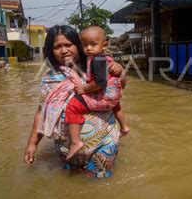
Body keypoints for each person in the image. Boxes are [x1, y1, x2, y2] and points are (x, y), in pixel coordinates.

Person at [24, 25, 124, 178]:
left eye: (68, 45)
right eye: (57, 47)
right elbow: (42, 112)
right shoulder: (50, 79)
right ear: (50, 51)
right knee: (71, 189)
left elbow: (119, 87)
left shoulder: (96, 65)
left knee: (99, 188)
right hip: (67, 149)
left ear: (78, 46)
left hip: (103, 144)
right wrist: (32, 144)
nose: (64, 50)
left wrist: (120, 71)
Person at [64, 26, 129, 160]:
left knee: (73, 106)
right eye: (85, 45)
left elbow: (101, 82)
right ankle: (125, 126)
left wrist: (84, 88)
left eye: (93, 45)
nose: (88, 48)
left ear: (104, 45)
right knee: (116, 105)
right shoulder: (102, 58)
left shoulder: (96, 59)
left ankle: (75, 142)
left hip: (104, 99)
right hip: (112, 97)